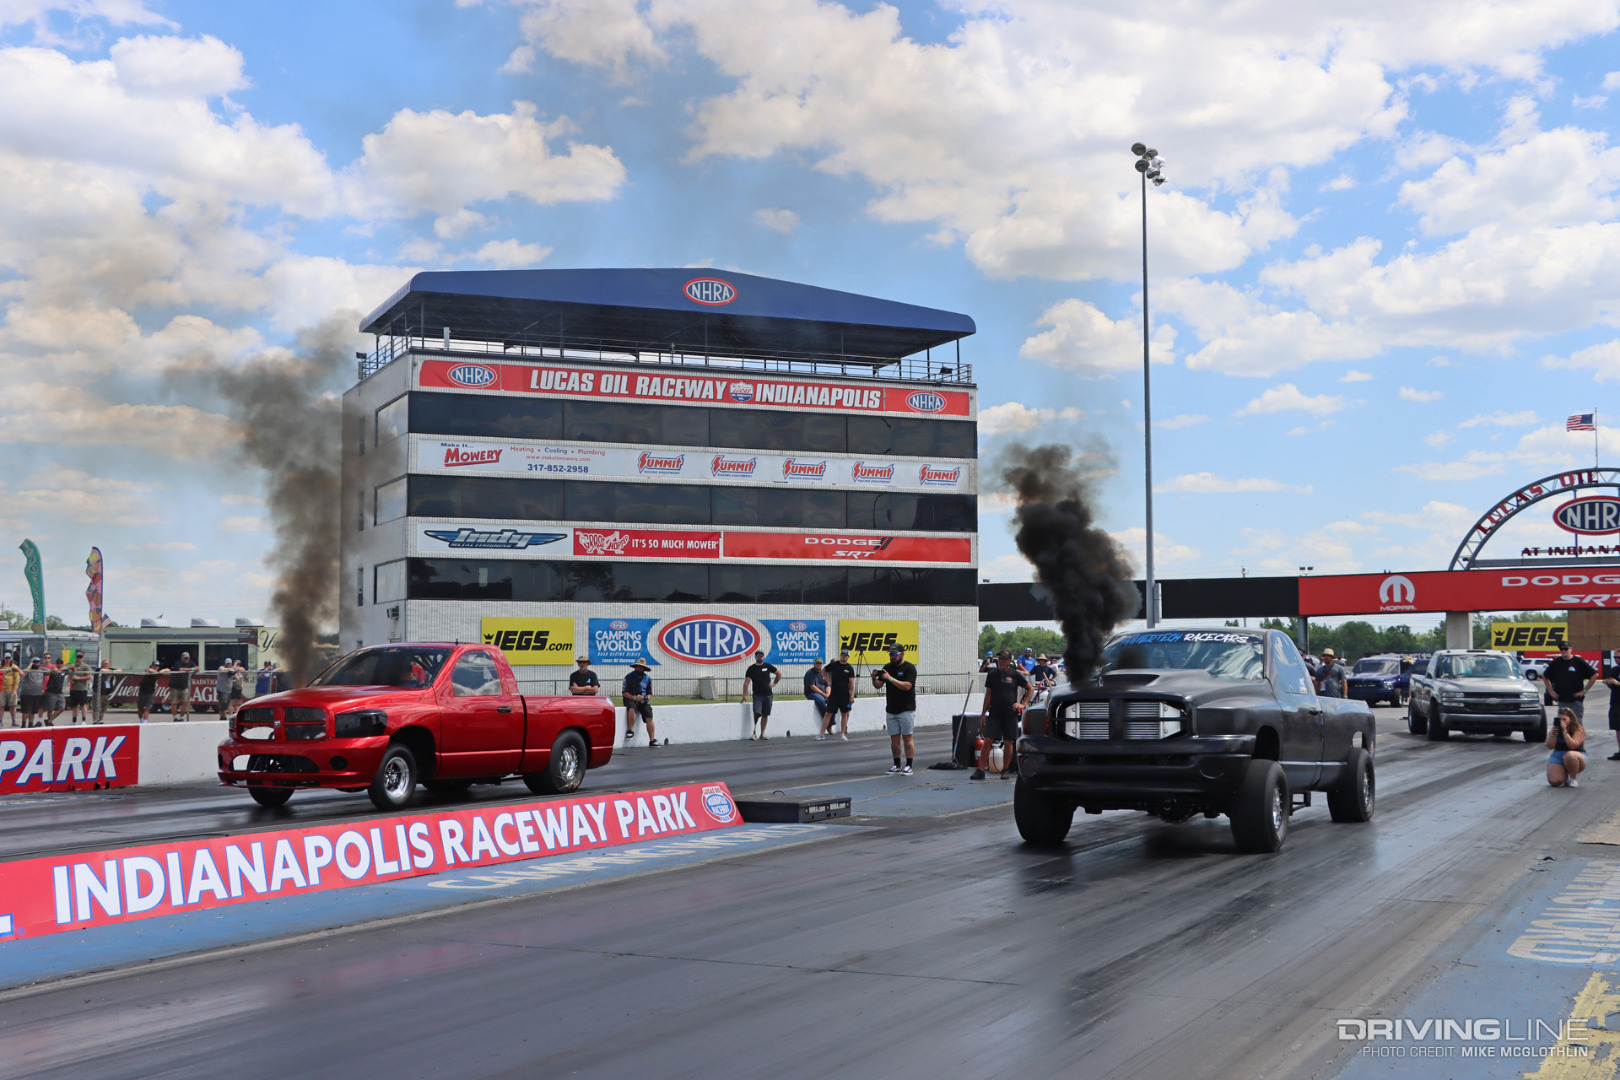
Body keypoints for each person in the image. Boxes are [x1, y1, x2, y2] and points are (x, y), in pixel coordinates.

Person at [973, 650, 1032, 780]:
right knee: (988, 739)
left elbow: (1030, 689)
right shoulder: (992, 674)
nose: (1001, 661)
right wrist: (983, 713)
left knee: (1008, 741)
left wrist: (1023, 704)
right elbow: (988, 694)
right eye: (1000, 659)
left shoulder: (1015, 674)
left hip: (1010, 713)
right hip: (994, 713)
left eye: (1004, 659)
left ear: (1009, 661)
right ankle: (980, 770)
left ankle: (1005, 769)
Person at [874, 644, 918, 774]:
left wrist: (890, 678)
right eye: (890, 655)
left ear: (902, 654)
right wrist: (874, 678)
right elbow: (878, 685)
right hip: (891, 708)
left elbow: (907, 686)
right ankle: (896, 764)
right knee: (894, 739)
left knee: (907, 738)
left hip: (906, 708)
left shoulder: (909, 668)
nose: (892, 657)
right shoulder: (887, 668)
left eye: (894, 654)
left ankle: (909, 765)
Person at [1545, 641, 1598, 721]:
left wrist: (1584, 691)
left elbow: (1594, 675)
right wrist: (1551, 692)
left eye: (1566, 649)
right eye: (1561, 649)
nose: (1564, 651)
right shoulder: (1556, 662)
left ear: (1570, 649)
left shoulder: (1578, 661)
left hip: (1576, 699)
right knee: (1563, 723)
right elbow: (1545, 676)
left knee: (1577, 723)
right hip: (1562, 699)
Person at [744, 650, 781, 740]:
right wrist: (744, 695)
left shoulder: (767, 666)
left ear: (763, 657)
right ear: (755, 657)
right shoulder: (751, 668)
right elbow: (746, 682)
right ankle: (754, 732)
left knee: (765, 714)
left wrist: (774, 684)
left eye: (761, 655)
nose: (759, 657)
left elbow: (778, 673)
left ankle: (762, 733)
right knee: (757, 713)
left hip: (768, 694)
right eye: (757, 655)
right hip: (757, 695)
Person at [1547, 707, 1587, 788]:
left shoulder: (1578, 730)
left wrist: (1565, 732)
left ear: (1571, 719)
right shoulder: (1555, 730)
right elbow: (1550, 746)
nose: (1561, 721)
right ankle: (1563, 775)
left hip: (1575, 755)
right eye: (1559, 719)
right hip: (1558, 755)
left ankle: (1573, 779)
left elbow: (1573, 745)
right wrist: (1553, 734)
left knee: (1569, 756)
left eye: (1564, 719)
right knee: (1555, 781)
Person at [622, 658, 656, 747]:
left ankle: (652, 740)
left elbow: (650, 693)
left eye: (641, 668)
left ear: (644, 669)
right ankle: (630, 730)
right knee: (632, 708)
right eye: (638, 667)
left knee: (649, 716)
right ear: (635, 667)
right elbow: (624, 692)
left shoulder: (648, 678)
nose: (639, 669)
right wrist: (634, 697)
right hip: (631, 698)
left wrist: (646, 698)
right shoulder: (628, 677)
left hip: (643, 700)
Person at [823, 648, 855, 740]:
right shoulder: (834, 664)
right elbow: (824, 671)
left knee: (844, 714)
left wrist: (852, 695)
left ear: (848, 657)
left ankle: (842, 733)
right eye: (842, 655)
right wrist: (828, 681)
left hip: (845, 694)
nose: (843, 656)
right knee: (828, 712)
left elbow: (851, 684)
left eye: (845, 655)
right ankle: (822, 733)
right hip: (834, 694)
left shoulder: (849, 668)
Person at [805, 659, 831, 739]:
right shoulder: (810, 673)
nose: (818, 665)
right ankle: (828, 725)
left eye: (820, 663)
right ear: (814, 664)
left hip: (823, 693)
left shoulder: (823, 673)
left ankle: (830, 722)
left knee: (832, 702)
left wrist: (828, 694)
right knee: (822, 701)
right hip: (812, 693)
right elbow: (812, 687)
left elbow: (828, 685)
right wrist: (824, 695)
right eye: (817, 663)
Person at [168, 652, 196, 721]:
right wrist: (191, 669)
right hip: (175, 686)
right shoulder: (178, 663)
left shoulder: (191, 662)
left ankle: (181, 717)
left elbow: (197, 668)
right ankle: (175, 718)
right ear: (182, 658)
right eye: (185, 658)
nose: (186, 659)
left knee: (185, 703)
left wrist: (192, 669)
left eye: (187, 658)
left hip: (184, 687)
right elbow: (181, 669)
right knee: (174, 703)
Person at [18, 659, 44, 728]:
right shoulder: (28, 670)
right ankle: (23, 724)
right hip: (27, 693)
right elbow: (22, 674)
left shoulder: (42, 670)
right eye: (34, 662)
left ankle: (30, 724)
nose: (36, 663)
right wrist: (29, 666)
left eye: (37, 662)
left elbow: (52, 670)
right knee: (26, 710)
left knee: (33, 710)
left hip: (37, 694)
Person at [43, 659, 66, 725]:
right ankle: (50, 722)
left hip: (59, 692)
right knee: (50, 708)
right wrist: (54, 670)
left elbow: (72, 668)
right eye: (58, 663)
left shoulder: (64, 671)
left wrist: (60, 669)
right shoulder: (53, 669)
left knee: (62, 707)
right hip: (51, 691)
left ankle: (49, 720)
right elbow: (47, 673)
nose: (59, 664)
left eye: (61, 663)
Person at [68, 658, 91, 724]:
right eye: (78, 657)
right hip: (73, 689)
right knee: (74, 706)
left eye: (80, 657)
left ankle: (83, 721)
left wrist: (78, 678)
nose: (79, 659)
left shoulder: (85, 666)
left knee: (83, 705)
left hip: (82, 688)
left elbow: (89, 676)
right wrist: (70, 681)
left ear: (83, 658)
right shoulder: (72, 666)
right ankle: (74, 721)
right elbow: (69, 676)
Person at [93, 659, 114, 724]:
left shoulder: (110, 669)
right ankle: (95, 720)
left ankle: (101, 720)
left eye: (107, 663)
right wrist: (111, 671)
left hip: (106, 692)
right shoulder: (98, 670)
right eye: (104, 663)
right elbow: (102, 670)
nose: (106, 664)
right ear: (102, 664)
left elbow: (120, 670)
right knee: (96, 708)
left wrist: (111, 671)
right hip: (97, 691)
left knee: (103, 708)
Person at [1, 654, 18, 728]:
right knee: (1, 706)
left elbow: (17, 679)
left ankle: (13, 721)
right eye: (6, 658)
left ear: (11, 658)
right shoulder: (1, 667)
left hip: (11, 690)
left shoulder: (14, 667)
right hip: (2, 690)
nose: (7, 659)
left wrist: (14, 689)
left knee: (13, 706)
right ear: (4, 658)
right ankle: (0, 721)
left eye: (9, 658)